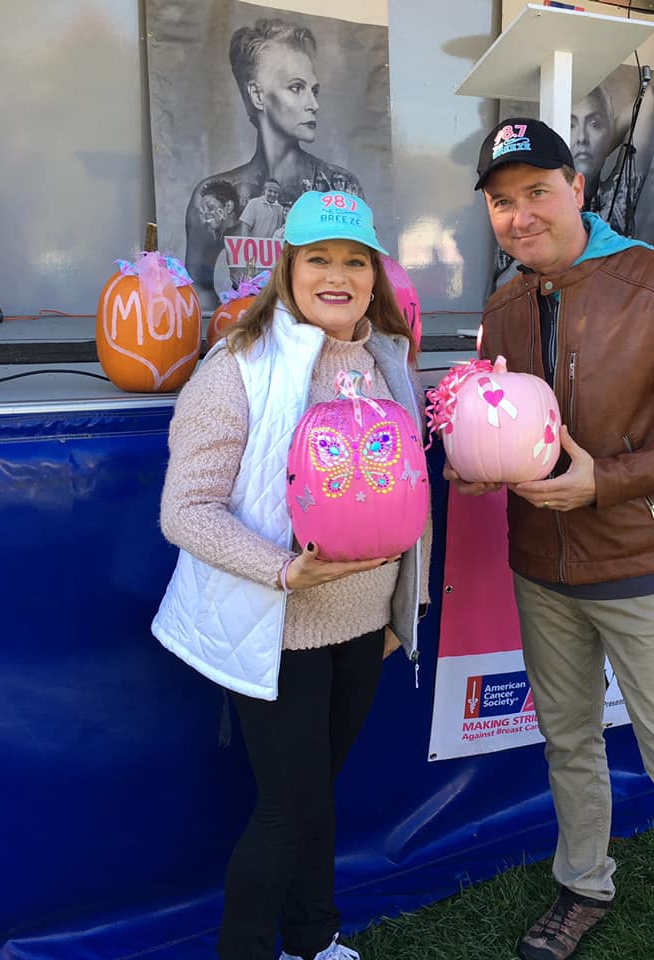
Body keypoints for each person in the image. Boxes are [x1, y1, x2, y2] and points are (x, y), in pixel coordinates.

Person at [449, 118, 654, 960]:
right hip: (540, 566)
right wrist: (482, 468)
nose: (520, 215)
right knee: (569, 741)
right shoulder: (505, 305)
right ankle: (583, 885)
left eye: (537, 192)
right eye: (501, 202)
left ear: (577, 189)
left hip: (637, 562)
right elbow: (511, 426)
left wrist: (605, 481)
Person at [153, 190, 429, 960]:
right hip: (279, 630)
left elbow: (403, 494)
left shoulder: (386, 361)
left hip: (363, 626)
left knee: (314, 799)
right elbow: (186, 511)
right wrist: (282, 571)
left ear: (374, 276)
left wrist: (399, 610)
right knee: (287, 810)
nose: (337, 275)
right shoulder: (237, 366)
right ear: (288, 269)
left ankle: (314, 941)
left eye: (355, 261)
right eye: (319, 259)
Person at [185, 18, 363, 303]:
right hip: (249, 328)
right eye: (296, 87)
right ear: (258, 95)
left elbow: (362, 277)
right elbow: (198, 291)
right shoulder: (216, 197)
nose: (314, 104)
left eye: (314, 90)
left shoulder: (339, 188)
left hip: (322, 329)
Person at [570, 66, 654, 237]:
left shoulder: (616, 197)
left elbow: (648, 99)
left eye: (594, 124)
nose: (582, 138)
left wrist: (602, 145)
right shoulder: (551, 198)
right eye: (571, 126)